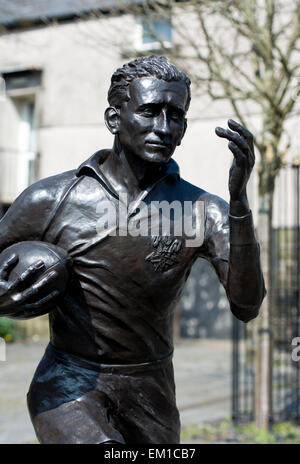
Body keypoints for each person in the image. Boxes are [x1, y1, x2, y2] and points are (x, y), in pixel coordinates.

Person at [0, 55, 265, 444]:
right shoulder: (51, 199)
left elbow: (248, 305)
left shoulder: (204, 211)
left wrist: (239, 205)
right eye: (149, 111)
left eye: (175, 116)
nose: (163, 127)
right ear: (114, 120)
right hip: (69, 381)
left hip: (151, 389)